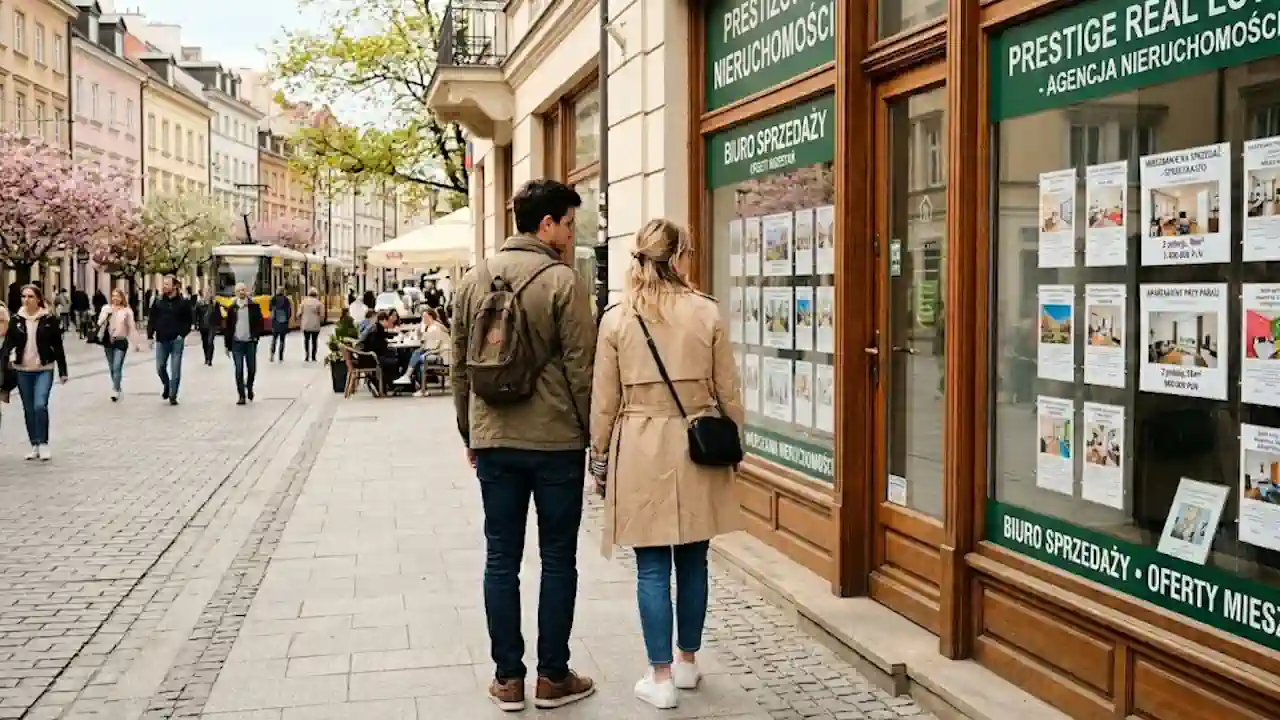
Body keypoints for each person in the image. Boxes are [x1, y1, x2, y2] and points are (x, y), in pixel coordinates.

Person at [450, 179, 596, 711]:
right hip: (556, 442)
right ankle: (552, 677)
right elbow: (582, 369)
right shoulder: (564, 282)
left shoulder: (474, 279)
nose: (571, 234)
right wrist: (592, 438)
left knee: (500, 559)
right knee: (557, 558)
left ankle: (508, 679)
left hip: (495, 439)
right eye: (568, 224)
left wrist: (470, 432)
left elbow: (459, 365)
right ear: (546, 224)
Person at [588, 219, 743, 709]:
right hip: (697, 442)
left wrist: (598, 457)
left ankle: (659, 678)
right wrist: (734, 442)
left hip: (639, 445)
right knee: (694, 558)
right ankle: (688, 663)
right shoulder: (706, 312)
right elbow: (729, 390)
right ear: (678, 257)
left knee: (652, 566)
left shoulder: (617, 319)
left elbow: (603, 401)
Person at [2, 285, 68, 460]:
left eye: (30, 296)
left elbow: (58, 346)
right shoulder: (16, 320)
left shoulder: (49, 319)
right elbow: (7, 346)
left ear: (38, 299)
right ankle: (34, 444)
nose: (26, 300)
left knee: (40, 405)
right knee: (29, 409)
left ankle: (44, 443)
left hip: (44, 369)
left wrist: (63, 370)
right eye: (24, 296)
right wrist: (3, 366)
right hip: (22, 370)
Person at [147, 275, 193, 406]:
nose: (164, 286)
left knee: (175, 370)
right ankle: (167, 385)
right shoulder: (158, 301)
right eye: (164, 284)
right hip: (161, 339)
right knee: (160, 367)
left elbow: (189, 321)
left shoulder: (183, 302)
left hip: (176, 340)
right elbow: (152, 319)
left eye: (167, 284)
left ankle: (173, 395)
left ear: (175, 286)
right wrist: (150, 336)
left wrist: (182, 334)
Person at [97, 288, 145, 402]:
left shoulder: (127, 311)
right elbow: (99, 323)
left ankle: (115, 390)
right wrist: (105, 315)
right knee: (112, 368)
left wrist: (136, 343)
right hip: (108, 342)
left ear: (122, 298)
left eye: (117, 296)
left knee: (117, 366)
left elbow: (132, 328)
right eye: (113, 296)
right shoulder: (106, 308)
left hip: (121, 341)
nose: (115, 298)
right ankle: (117, 387)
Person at [223, 283, 265, 405]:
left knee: (252, 369)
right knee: (239, 369)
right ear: (236, 293)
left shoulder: (254, 306)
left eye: (243, 290)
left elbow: (260, 322)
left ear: (246, 291)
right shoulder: (232, 308)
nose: (241, 292)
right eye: (239, 290)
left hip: (250, 342)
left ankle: (249, 386)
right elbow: (228, 327)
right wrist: (227, 345)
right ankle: (241, 395)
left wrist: (256, 337)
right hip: (237, 343)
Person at [393, 307, 449, 393]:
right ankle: (419, 386)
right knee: (417, 355)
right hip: (438, 352)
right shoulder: (431, 326)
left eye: (425, 317)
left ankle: (409, 378)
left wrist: (423, 346)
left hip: (442, 354)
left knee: (418, 355)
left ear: (431, 317)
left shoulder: (435, 327)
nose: (423, 319)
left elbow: (432, 345)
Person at [356, 311, 403, 395]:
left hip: (366, 356)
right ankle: (393, 385)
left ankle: (391, 385)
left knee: (393, 357)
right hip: (371, 358)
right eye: (388, 321)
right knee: (395, 360)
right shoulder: (377, 329)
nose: (388, 323)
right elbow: (378, 346)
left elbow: (382, 340)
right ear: (384, 320)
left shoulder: (375, 327)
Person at [194, 290, 220, 366]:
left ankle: (210, 359)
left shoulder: (215, 304)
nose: (207, 295)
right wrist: (196, 324)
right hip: (203, 326)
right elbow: (196, 315)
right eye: (206, 293)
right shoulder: (199, 304)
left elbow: (218, 314)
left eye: (209, 293)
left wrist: (218, 324)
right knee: (205, 343)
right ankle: (206, 357)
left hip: (212, 326)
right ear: (203, 294)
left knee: (210, 342)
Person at [300, 288, 324, 362]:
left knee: (306, 340)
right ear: (316, 295)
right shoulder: (319, 303)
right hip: (315, 325)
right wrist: (320, 321)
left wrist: (302, 318)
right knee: (314, 341)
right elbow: (322, 315)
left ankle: (307, 355)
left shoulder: (303, 302)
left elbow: (299, 313)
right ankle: (313, 357)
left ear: (308, 294)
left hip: (306, 324)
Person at [269, 288, 292, 362]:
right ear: (283, 292)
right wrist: (287, 319)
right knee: (282, 339)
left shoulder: (273, 299)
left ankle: (272, 354)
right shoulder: (286, 300)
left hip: (275, 322)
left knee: (274, 339)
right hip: (283, 323)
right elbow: (289, 312)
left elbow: (270, 309)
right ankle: (280, 356)